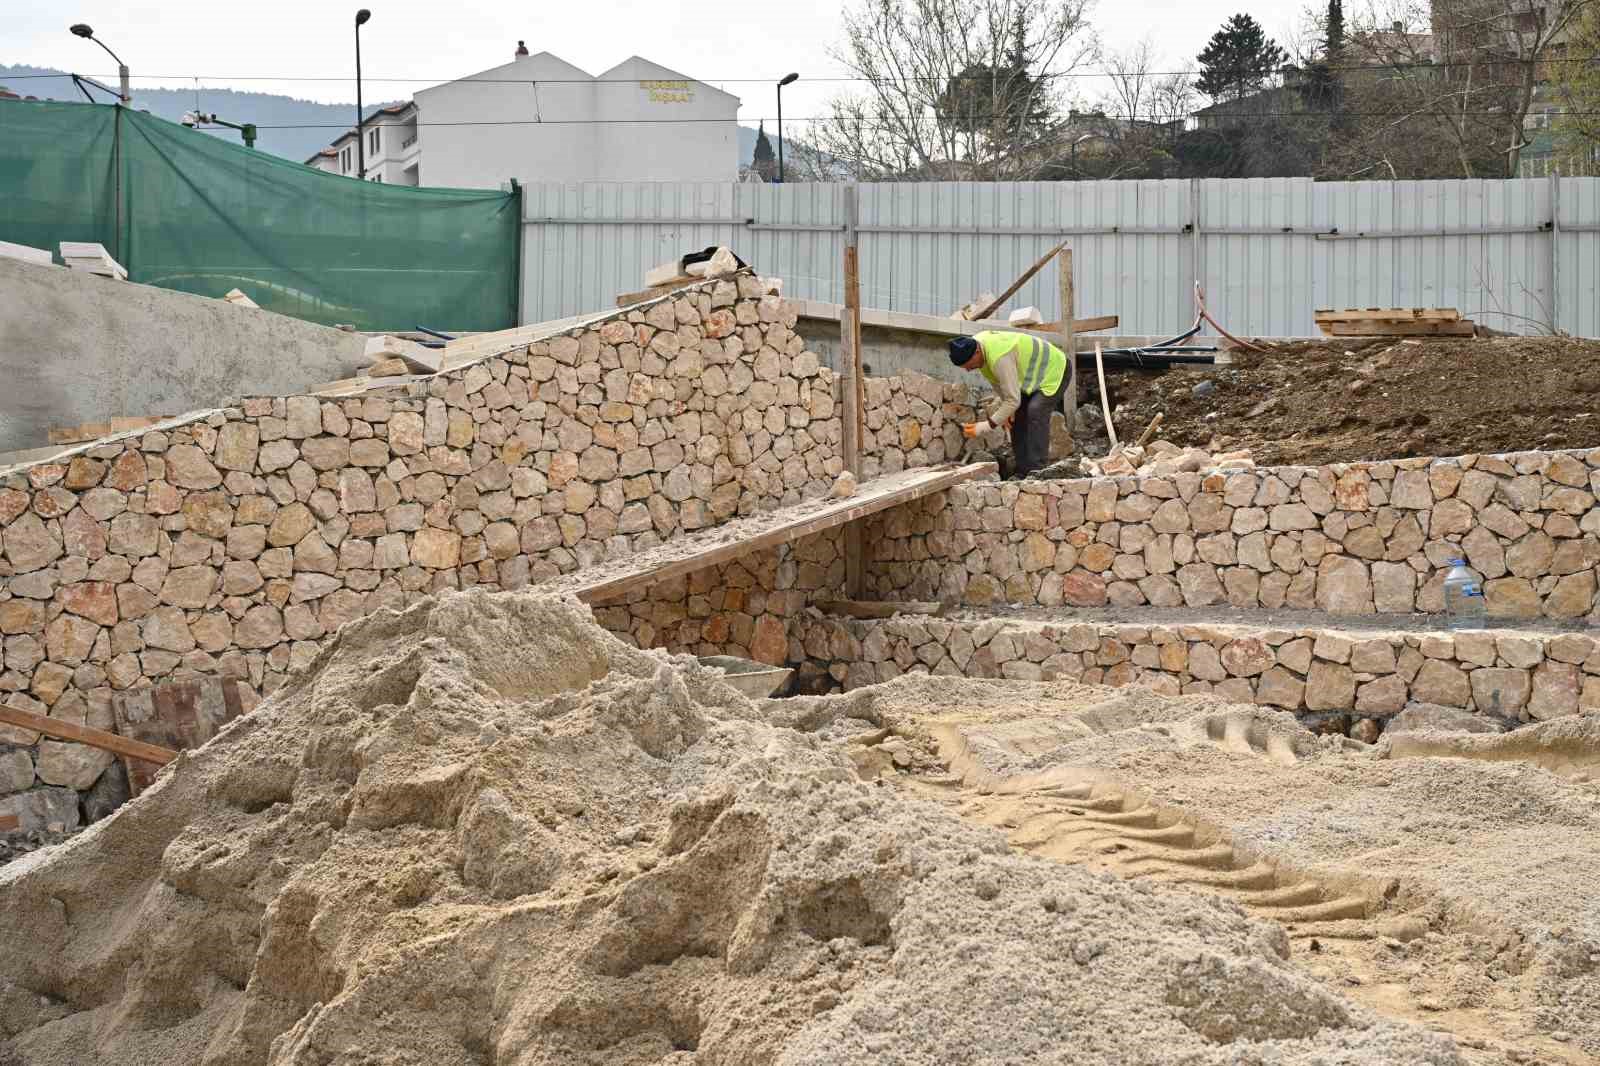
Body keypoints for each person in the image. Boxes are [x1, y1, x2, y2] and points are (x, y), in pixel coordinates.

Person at [949, 331, 1068, 478]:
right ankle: (1023, 470)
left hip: (1054, 369)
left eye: (968, 365)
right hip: (1030, 379)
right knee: (1016, 417)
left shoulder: (999, 357)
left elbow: (1013, 400)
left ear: (977, 352)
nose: (967, 370)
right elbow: (1001, 386)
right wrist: (1007, 412)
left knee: (1035, 411)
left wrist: (984, 426)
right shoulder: (978, 350)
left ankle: (1038, 471)